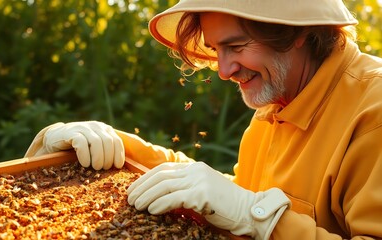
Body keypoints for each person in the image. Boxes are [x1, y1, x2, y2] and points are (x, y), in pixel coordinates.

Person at [25, 0, 382, 239]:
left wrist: (259, 218)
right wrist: (116, 145)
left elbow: (248, 209)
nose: (224, 70)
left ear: (298, 31)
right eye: (216, 50)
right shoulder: (280, 98)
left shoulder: (374, 111)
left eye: (237, 47)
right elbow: (232, 196)